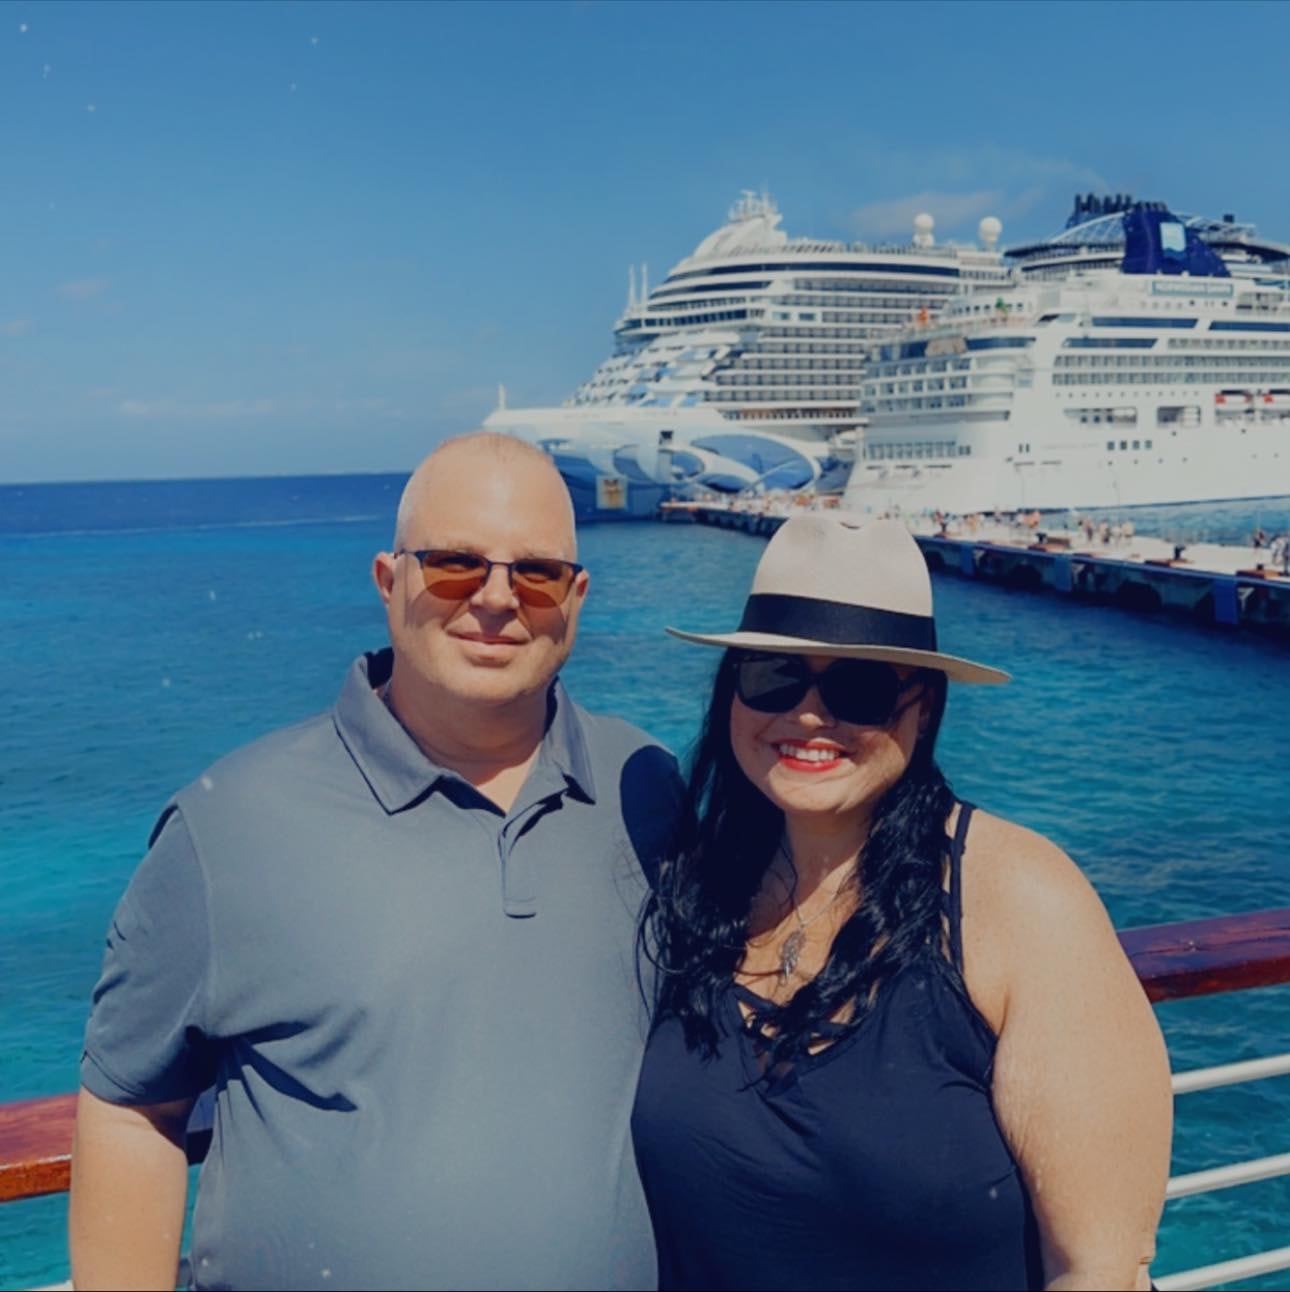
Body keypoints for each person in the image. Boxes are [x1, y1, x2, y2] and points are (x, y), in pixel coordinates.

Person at [70, 432, 681, 1291]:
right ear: (389, 582)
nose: (497, 599)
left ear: (575, 599)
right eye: (456, 564)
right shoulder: (231, 827)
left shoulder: (648, 790)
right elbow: (133, 1109)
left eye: (535, 572)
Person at [634, 515, 1172, 1291]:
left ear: (922, 709)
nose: (810, 715)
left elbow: (1100, 1267)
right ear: (733, 696)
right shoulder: (695, 889)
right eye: (775, 677)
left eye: (859, 688)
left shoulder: (1018, 898)